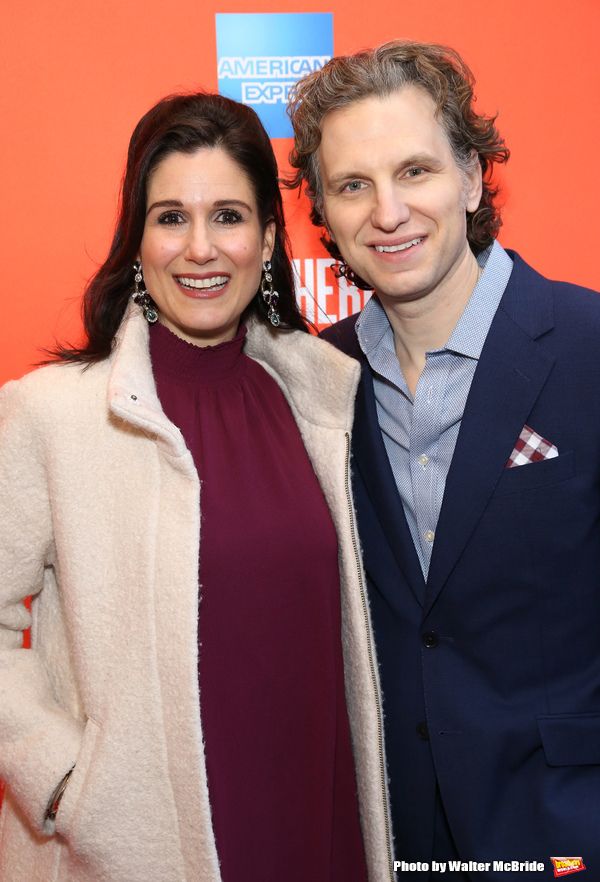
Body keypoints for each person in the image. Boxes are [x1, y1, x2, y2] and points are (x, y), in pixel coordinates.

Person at [0, 92, 395, 882]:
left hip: (313, 825)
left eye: (229, 216)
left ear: (269, 236)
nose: (201, 249)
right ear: (138, 240)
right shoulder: (52, 414)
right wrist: (65, 782)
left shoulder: (322, 399)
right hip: (134, 848)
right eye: (171, 217)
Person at [288, 40, 600, 880]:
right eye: (354, 185)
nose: (388, 212)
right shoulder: (320, 379)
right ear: (323, 210)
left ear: (470, 178)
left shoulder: (588, 346)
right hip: (392, 834)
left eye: (415, 171)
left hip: (570, 828)